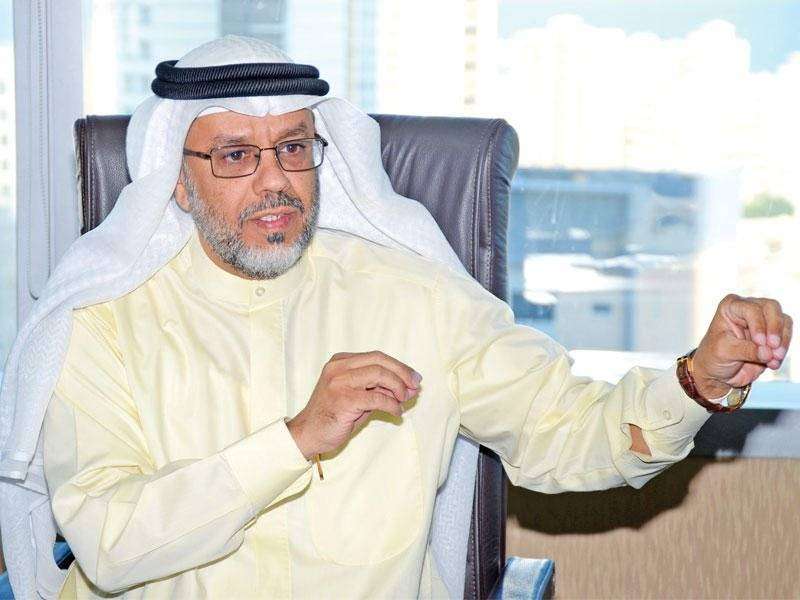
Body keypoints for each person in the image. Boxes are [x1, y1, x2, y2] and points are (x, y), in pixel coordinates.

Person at [1, 36, 792, 599]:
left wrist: (695, 381)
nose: (275, 181)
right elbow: (110, 543)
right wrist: (294, 440)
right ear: (176, 180)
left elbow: (569, 433)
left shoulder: (413, 295)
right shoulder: (105, 321)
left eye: (294, 149)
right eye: (236, 156)